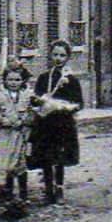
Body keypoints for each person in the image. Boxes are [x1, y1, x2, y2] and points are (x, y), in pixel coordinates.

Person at [29, 40, 84, 203]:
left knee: (59, 157)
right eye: (55, 55)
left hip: (63, 123)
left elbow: (79, 103)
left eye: (62, 55)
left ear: (67, 58)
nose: (58, 58)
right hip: (46, 123)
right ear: (50, 55)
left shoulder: (72, 80)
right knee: (46, 156)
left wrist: (66, 108)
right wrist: (39, 101)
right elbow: (35, 98)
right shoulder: (44, 77)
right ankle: (48, 189)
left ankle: (59, 188)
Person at [0, 62, 35, 203]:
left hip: (21, 134)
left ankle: (23, 194)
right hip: (5, 135)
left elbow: (32, 113)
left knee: (20, 163)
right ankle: (6, 192)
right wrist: (4, 121)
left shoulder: (27, 97)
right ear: (5, 80)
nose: (13, 83)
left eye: (17, 80)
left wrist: (24, 120)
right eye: (10, 80)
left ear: (22, 81)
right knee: (5, 162)